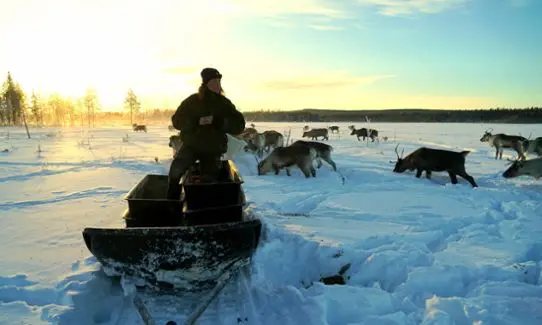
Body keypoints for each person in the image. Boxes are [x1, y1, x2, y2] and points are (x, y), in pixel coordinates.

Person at [167, 67, 246, 199]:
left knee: (207, 183)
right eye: (214, 81)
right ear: (205, 83)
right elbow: (177, 122)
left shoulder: (224, 103)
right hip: (191, 146)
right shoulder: (192, 101)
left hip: (213, 149)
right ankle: (171, 204)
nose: (217, 85)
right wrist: (196, 121)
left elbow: (239, 125)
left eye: (219, 82)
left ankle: (202, 211)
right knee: (175, 172)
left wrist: (219, 122)